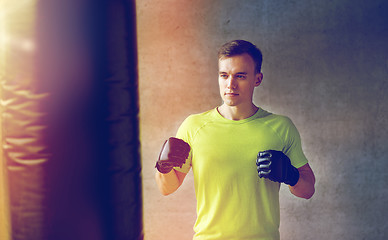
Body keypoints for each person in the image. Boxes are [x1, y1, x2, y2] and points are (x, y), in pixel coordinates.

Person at [155, 40, 316, 240]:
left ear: (257, 79)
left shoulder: (280, 127)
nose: (230, 84)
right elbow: (166, 188)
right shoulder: (193, 126)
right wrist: (163, 167)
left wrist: (291, 175)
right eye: (224, 75)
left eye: (240, 76)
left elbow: (308, 190)